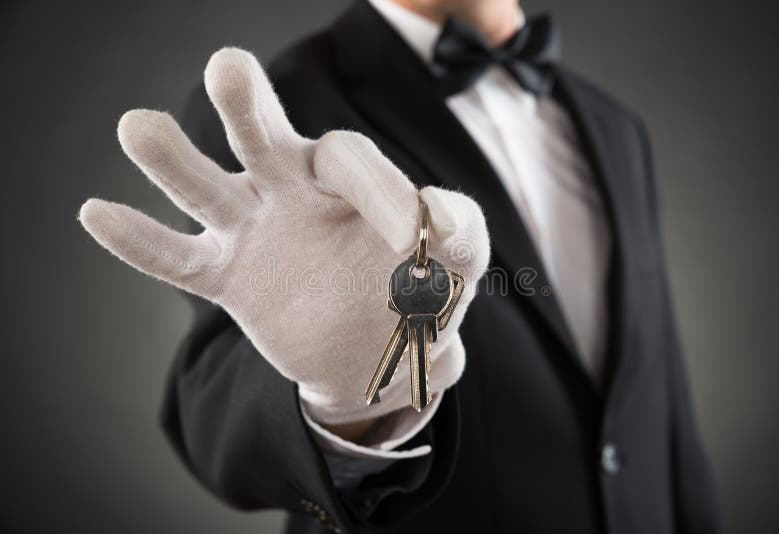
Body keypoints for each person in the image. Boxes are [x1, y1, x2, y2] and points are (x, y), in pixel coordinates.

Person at [79, 0, 721, 532]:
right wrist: (339, 406)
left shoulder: (616, 129)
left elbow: (661, 397)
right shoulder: (275, 116)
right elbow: (217, 416)